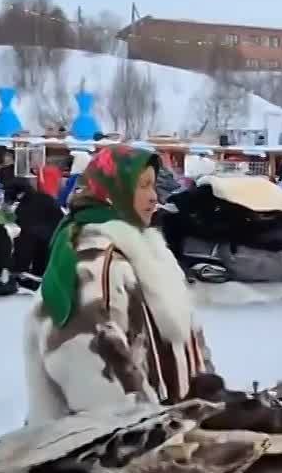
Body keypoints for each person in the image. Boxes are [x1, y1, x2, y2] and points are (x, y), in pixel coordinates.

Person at [23, 145, 212, 424]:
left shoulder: (147, 252)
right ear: (111, 191)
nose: (153, 197)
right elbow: (88, 362)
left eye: (154, 186)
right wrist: (148, 427)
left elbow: (186, 338)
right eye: (143, 186)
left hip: (170, 428)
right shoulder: (94, 261)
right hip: (117, 446)